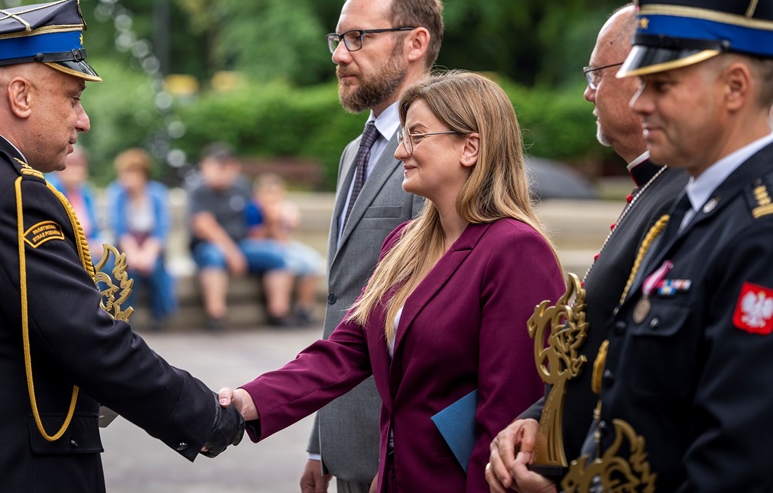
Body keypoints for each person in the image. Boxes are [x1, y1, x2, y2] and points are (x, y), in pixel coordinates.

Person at [0, 0, 243, 492]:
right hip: (8, 473)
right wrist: (202, 413)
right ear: (21, 95)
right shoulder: (14, 195)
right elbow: (87, 340)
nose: (82, 120)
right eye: (72, 98)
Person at [219, 71, 567, 492]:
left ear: (470, 147)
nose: (401, 151)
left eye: (416, 136)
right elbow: (346, 351)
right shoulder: (403, 243)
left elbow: (507, 417)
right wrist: (250, 401)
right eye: (403, 136)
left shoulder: (516, 250)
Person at [521, 0, 773, 492]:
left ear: (735, 87)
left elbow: (738, 460)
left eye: (662, 85)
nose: (639, 103)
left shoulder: (759, 230)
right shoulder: (695, 205)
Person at [486, 5, 687, 492]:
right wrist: (538, 418)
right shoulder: (657, 184)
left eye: (596, 74)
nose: (587, 91)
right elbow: (592, 348)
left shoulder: (683, 193)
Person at [302, 0, 443, 493]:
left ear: (415, 43)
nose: (340, 55)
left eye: (359, 37)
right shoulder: (353, 152)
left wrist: (402, 452)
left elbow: (431, 322)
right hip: (348, 440)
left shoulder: (440, 151)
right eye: (339, 39)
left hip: (402, 452)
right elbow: (343, 305)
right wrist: (321, 440)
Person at [187, 142, 294, 330]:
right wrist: (232, 253)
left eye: (227, 166)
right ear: (205, 166)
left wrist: (280, 218)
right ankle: (216, 316)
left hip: (243, 244)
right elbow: (204, 226)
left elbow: (257, 217)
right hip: (210, 245)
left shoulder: (241, 186)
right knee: (214, 256)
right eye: (218, 166)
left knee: (276, 256)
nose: (223, 172)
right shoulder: (199, 190)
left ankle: (278, 313)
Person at [105, 148, 177, 330]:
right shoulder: (117, 193)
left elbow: (161, 230)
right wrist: (134, 255)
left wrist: (148, 255)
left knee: (156, 269)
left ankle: (160, 315)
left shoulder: (157, 193)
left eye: (132, 173)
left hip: (151, 247)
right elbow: (119, 229)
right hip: (125, 249)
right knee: (127, 271)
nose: (127, 178)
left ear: (143, 174)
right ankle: (126, 316)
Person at [246, 172, 323, 325]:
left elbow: (285, 236)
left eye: (275, 193)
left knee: (313, 262)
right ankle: (279, 311)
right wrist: (270, 220)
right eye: (267, 193)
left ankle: (303, 309)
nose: (271, 197)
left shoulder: (286, 208)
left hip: (284, 244)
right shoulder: (253, 209)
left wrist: (281, 220)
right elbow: (256, 238)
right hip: (265, 246)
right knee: (287, 264)